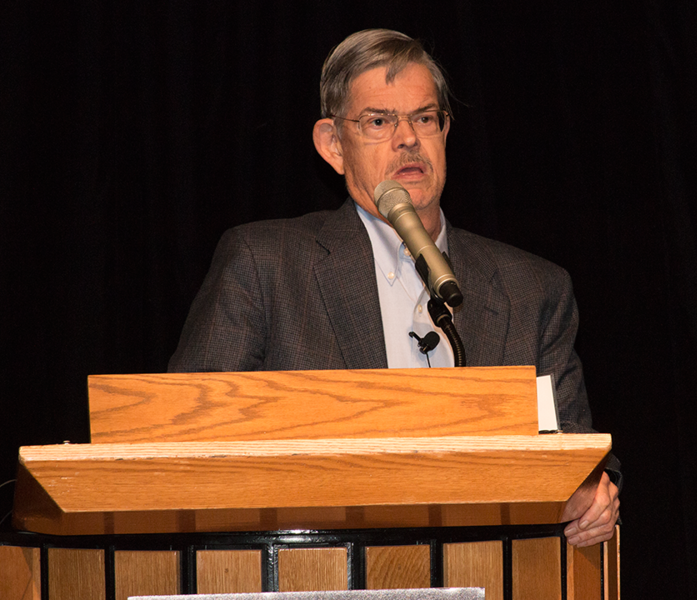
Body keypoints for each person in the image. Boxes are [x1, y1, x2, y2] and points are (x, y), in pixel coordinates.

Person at [169, 29, 619, 547]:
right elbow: (186, 440)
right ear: (333, 145)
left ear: (445, 132)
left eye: (425, 118)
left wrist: (593, 494)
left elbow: (579, 455)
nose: (408, 138)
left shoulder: (531, 287)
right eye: (379, 121)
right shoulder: (266, 266)